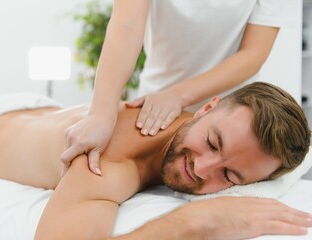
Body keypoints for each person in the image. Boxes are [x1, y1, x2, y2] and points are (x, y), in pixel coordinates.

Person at [0, 82, 311, 239]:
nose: (201, 169)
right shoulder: (105, 160)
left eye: (229, 175)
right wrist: (189, 223)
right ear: (207, 107)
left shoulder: (184, 129)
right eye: (211, 142)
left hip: (41, 112)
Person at [61, 0, 295, 175]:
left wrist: (177, 96)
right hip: (154, 111)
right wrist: (101, 114)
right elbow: (127, 26)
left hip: (230, 121)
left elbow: (253, 54)